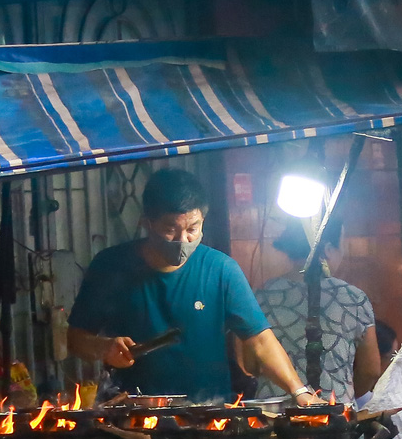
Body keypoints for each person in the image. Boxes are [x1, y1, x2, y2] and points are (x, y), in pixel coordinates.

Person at [66, 167, 321, 403]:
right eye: (170, 229)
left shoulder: (221, 269)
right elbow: (76, 339)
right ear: (147, 222)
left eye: (192, 228)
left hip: (210, 415)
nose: (182, 239)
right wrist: (104, 347)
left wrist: (298, 391)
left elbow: (260, 341)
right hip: (135, 412)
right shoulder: (110, 266)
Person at [250, 222, 381, 402]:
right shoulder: (354, 298)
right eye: (341, 245)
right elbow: (370, 370)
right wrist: (340, 394)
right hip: (335, 417)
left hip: (276, 417)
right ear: (327, 249)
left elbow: (251, 364)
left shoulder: (260, 297)